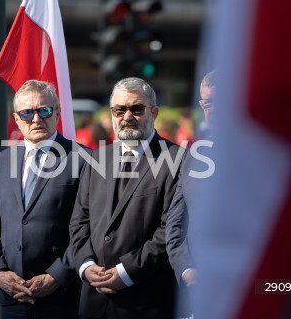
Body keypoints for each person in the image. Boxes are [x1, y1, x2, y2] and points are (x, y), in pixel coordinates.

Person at [69, 77, 182, 319]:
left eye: (136, 109)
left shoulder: (178, 160)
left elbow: (170, 230)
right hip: (94, 301)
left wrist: (126, 272)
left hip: (145, 301)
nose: (127, 116)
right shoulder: (97, 159)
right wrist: (86, 266)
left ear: (154, 112)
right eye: (119, 110)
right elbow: (79, 219)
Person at [0, 80, 86, 319]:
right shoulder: (1, 162)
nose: (36, 119)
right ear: (17, 119)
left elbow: (90, 228)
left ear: (57, 113)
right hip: (12, 297)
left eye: (44, 110)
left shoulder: (84, 160)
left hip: (63, 297)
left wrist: (57, 275)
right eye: (27, 113)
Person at [165, 70, 216, 317]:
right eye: (207, 103)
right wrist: (186, 269)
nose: (212, 110)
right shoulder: (193, 157)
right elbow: (174, 224)